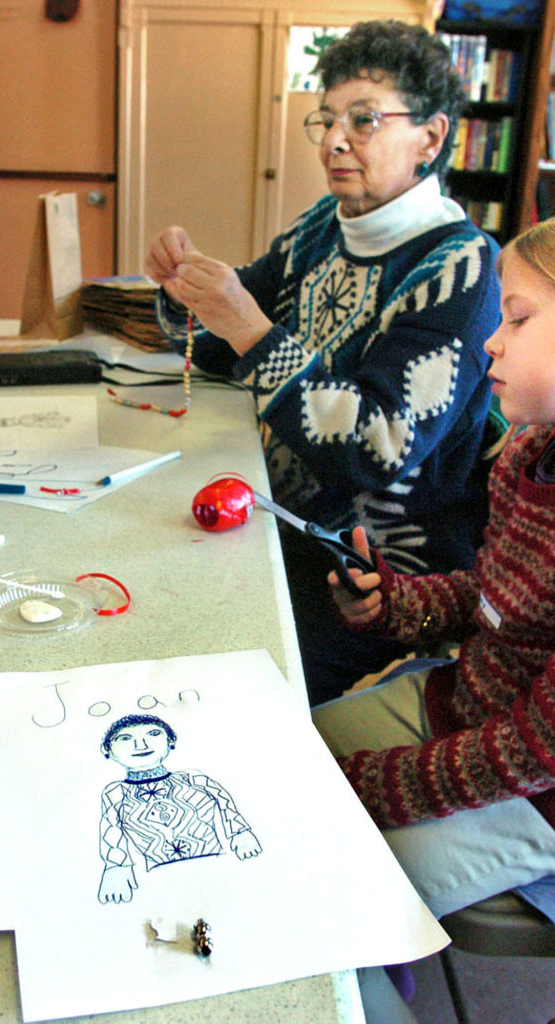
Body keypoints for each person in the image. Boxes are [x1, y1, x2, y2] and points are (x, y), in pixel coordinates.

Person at [146, 20, 501, 705]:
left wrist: (249, 327)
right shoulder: (320, 227)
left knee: (203, 690)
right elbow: (226, 339)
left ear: (429, 137)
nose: (336, 141)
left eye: (363, 119)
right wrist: (184, 291)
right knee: (153, 606)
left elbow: (377, 445)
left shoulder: (460, 269)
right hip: (280, 523)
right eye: (327, 119)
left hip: (374, 581)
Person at [313, 217, 555, 1023]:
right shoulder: (526, 453)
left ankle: (373, 963)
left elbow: (534, 749)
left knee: (328, 861)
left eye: (516, 319)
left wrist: (378, 785)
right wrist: (395, 602)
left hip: (538, 793)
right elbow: (490, 600)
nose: (488, 342)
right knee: (291, 750)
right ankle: (380, 947)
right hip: (466, 706)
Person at [97, 714, 261, 904]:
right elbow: (111, 830)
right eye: (125, 738)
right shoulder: (115, 793)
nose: (140, 745)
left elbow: (224, 801)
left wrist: (240, 832)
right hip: (160, 880)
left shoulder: (192, 778)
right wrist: (116, 867)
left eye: (153, 733)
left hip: (218, 868)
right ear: (107, 749)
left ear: (171, 741)